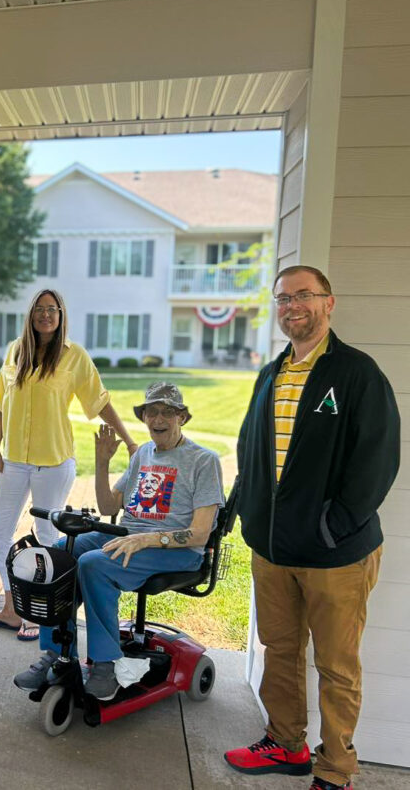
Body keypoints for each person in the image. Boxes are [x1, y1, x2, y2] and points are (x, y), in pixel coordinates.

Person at [224, 266, 400, 790]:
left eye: (304, 295)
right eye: (283, 298)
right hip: (273, 549)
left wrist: (334, 526)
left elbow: (377, 460)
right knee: (280, 650)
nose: (292, 305)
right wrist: (250, 515)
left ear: (329, 303)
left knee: (336, 666)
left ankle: (336, 768)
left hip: (335, 555)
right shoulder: (272, 372)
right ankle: (286, 743)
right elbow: (251, 451)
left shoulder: (356, 373)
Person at [13, 382, 224, 700]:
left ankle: (104, 664)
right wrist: (101, 464)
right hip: (129, 537)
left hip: (178, 550)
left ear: (182, 417)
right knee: (58, 555)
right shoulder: (142, 454)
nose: (158, 418)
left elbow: (200, 533)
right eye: (152, 411)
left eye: (167, 411)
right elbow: (110, 508)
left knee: (93, 564)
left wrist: (148, 539)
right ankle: (58, 653)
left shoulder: (204, 460)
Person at [0, 288, 137, 641]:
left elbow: (99, 401)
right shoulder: (16, 351)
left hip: (53, 462)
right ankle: (13, 607)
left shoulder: (73, 356)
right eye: (40, 309)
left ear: (61, 315)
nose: (46, 315)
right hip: (14, 461)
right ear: (31, 314)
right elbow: (3, 404)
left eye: (53, 309)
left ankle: (41, 613)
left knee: (47, 537)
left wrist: (129, 439)